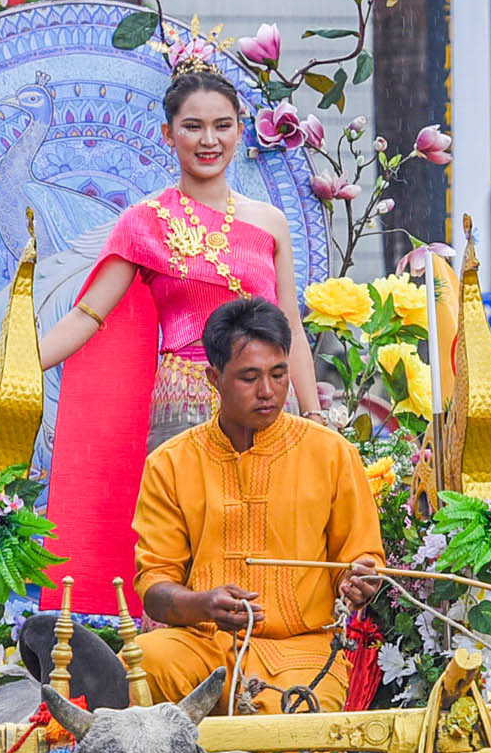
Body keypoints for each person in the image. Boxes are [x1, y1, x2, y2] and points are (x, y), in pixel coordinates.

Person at [35, 64, 322, 617]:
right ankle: (170, 672)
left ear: (241, 130)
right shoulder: (143, 223)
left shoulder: (270, 223)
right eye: (192, 127)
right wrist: (16, 366)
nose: (207, 140)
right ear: (168, 134)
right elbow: (86, 317)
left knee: (266, 540)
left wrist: (313, 415)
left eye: (221, 125)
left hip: (265, 403)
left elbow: (291, 328)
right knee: (185, 543)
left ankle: (260, 669)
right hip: (184, 401)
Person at [129, 299, 384, 709]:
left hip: (304, 651)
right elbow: (154, 587)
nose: (268, 392)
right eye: (249, 377)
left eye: (278, 374)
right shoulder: (170, 464)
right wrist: (203, 604)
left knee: (295, 716)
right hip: (202, 644)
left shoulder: (332, 454)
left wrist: (358, 583)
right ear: (215, 377)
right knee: (142, 663)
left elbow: (363, 556)